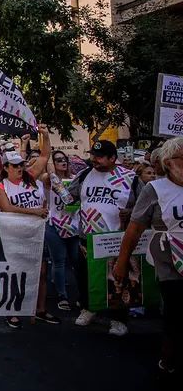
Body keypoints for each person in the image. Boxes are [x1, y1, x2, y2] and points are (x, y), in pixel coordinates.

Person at [114, 137, 183, 380]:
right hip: (170, 261)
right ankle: (169, 357)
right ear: (168, 163)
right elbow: (134, 229)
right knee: (176, 310)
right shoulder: (155, 190)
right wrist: (122, 262)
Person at [73, 140, 137, 336]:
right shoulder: (84, 174)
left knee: (117, 280)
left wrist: (131, 212)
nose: (94, 159)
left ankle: (118, 319)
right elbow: (70, 196)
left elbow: (145, 205)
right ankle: (88, 308)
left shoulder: (130, 178)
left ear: (113, 158)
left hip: (115, 239)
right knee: (85, 276)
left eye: (100, 157)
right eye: (93, 155)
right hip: (88, 237)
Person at [0, 151, 58, 328]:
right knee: (15, 273)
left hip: (36, 233)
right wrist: (34, 212)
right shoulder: (1, 186)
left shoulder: (30, 179)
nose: (19, 168)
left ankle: (40, 309)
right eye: (15, 165)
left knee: (41, 272)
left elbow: (44, 156)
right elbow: (7, 208)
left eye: (21, 164)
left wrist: (43, 137)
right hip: (14, 235)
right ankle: (12, 311)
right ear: (6, 168)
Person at [42, 150, 81, 311]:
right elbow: (49, 173)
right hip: (54, 224)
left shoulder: (75, 179)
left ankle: (81, 296)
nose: (63, 162)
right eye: (58, 160)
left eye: (64, 159)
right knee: (59, 261)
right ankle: (62, 296)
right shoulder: (49, 180)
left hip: (74, 225)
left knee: (77, 261)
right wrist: (48, 148)